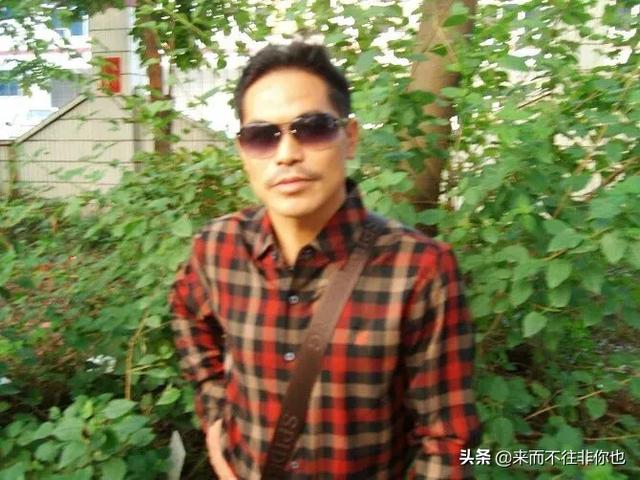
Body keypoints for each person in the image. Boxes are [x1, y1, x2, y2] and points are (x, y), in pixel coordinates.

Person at [170, 41, 481, 479]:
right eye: (262, 136)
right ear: (243, 152)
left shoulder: (420, 271)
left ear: (349, 138)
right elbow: (187, 315)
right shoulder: (217, 249)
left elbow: (448, 441)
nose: (287, 154)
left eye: (312, 129)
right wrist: (216, 409)